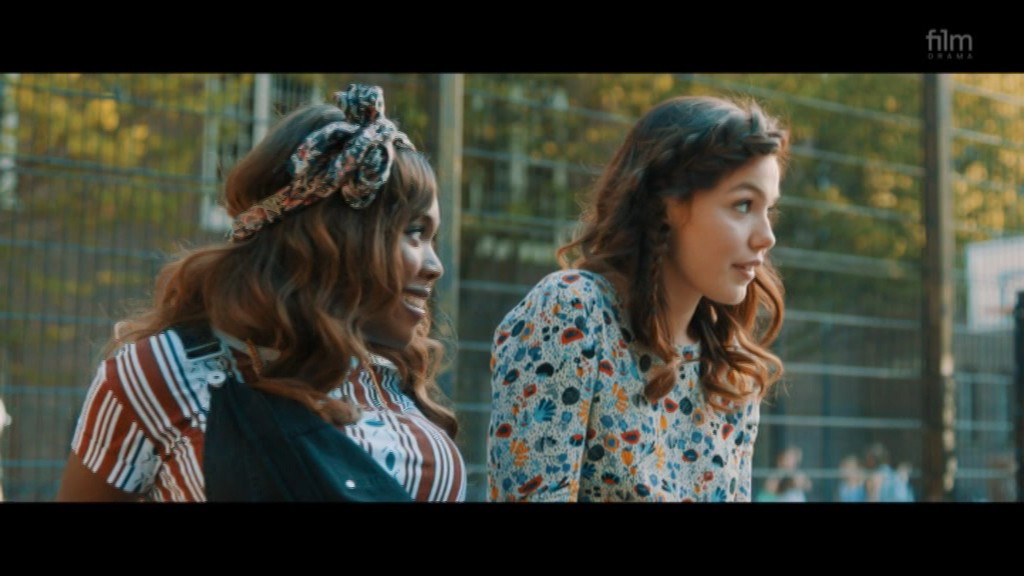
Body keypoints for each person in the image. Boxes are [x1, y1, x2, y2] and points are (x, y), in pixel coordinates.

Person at [56, 84, 465, 502]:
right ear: (333, 235)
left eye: (432, 238)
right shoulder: (168, 373)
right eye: (414, 232)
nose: (436, 266)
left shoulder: (390, 376)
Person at [487, 95, 788, 502]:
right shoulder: (571, 314)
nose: (766, 236)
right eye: (743, 205)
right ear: (666, 204)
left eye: (769, 210)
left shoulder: (729, 369)